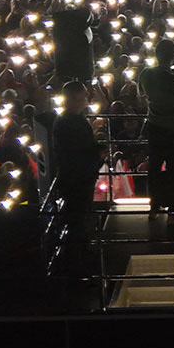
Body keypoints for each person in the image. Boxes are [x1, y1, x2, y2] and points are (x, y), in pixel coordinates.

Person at [49, 81, 102, 275]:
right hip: (76, 181)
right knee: (77, 223)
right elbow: (75, 154)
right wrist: (98, 154)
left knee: (81, 221)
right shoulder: (67, 123)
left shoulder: (72, 120)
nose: (86, 101)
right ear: (72, 99)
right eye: (82, 97)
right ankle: (78, 267)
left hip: (80, 179)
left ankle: (82, 262)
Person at [139, 38, 174, 219]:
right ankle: (173, 203)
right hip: (173, 127)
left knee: (155, 166)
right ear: (173, 56)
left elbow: (141, 96)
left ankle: (155, 203)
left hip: (154, 125)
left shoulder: (146, 74)